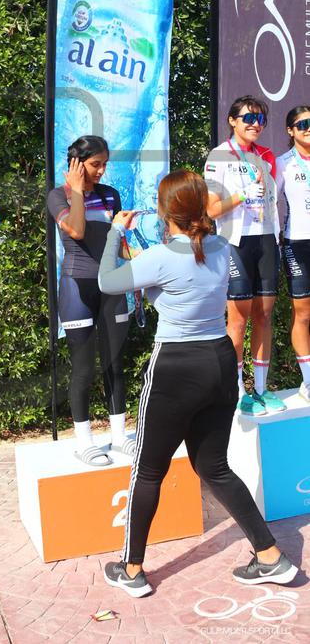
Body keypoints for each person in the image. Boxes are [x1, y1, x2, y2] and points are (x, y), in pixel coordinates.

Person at [98, 169, 297, 597]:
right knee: (214, 467)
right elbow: (179, 286)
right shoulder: (221, 246)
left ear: (165, 210)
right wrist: (152, 279)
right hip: (220, 362)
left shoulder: (159, 258)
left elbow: (107, 281)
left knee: (147, 471)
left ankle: (131, 569)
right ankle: (269, 556)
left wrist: (115, 233)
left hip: (175, 367)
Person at [47, 135, 133, 466]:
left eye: (105, 164)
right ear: (76, 164)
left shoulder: (110, 194)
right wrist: (77, 192)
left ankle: (119, 436)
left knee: (115, 364)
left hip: (112, 285)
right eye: (96, 164)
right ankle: (84, 441)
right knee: (83, 368)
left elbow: (117, 244)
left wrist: (137, 261)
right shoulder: (58, 196)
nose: (101, 171)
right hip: (78, 287)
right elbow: (77, 231)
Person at [203, 96, 285, 416]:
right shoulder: (219, 156)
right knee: (238, 320)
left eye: (260, 120)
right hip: (235, 243)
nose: (255, 124)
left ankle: (260, 390)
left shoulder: (264, 156)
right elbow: (212, 210)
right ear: (232, 121)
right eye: (248, 118)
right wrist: (241, 195)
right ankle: (237, 392)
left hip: (266, 239)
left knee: (264, 316)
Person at [276, 105, 310, 403]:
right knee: (303, 313)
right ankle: (308, 381)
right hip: (297, 243)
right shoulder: (282, 163)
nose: (308, 128)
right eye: (302, 124)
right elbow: (268, 202)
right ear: (290, 131)